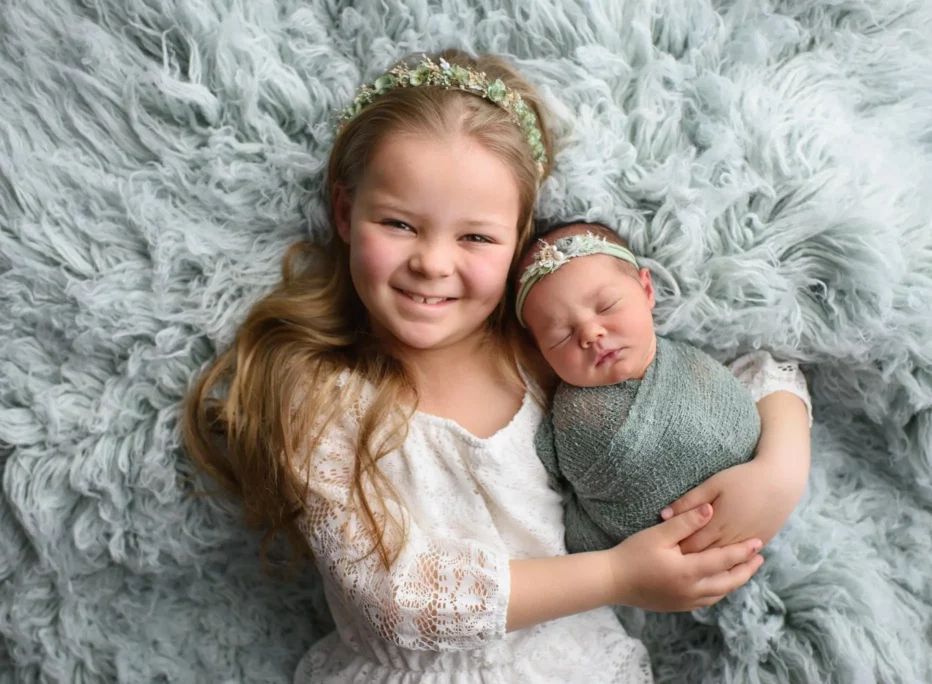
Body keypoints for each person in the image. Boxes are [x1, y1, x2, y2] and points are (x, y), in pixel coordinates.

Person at [182, 49, 808, 683]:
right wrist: (618, 574)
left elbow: (756, 374)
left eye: (475, 237)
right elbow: (393, 598)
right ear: (345, 213)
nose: (432, 263)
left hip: (577, 663)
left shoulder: (542, 349)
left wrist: (779, 469)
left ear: (517, 240)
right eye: (399, 223)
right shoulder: (320, 397)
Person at [515, 221, 813, 555]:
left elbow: (770, 376)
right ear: (542, 353)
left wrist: (778, 470)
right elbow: (546, 486)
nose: (590, 334)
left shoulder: (694, 356)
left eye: (607, 306)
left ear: (646, 290)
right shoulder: (562, 418)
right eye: (561, 336)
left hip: (774, 519)